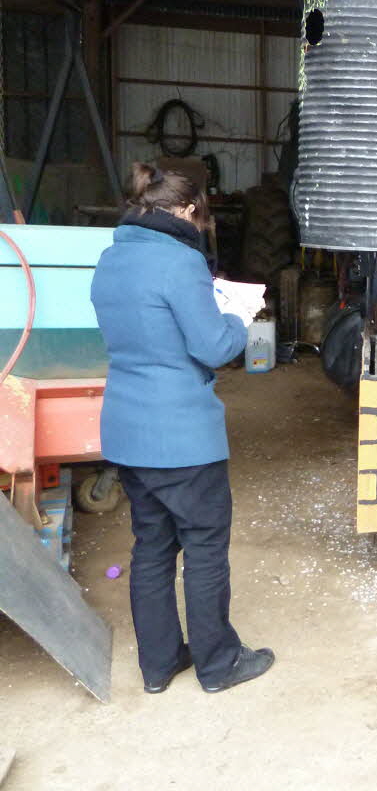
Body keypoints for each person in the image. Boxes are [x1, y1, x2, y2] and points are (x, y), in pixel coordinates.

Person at [91, 162, 275, 695]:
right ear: (188, 210)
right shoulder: (181, 261)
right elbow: (213, 347)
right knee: (204, 547)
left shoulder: (111, 258)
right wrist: (239, 316)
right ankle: (218, 664)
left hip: (127, 430)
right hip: (182, 435)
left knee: (151, 546)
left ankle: (159, 664)